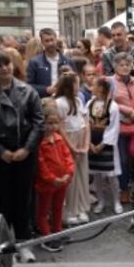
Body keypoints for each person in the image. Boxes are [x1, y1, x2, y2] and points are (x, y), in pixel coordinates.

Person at [0, 50, 44, 263]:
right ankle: (4, 246)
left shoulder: (27, 91)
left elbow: (39, 122)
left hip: (24, 153)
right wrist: (0, 151)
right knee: (1, 201)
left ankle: (23, 243)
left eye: (7, 64)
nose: (4, 68)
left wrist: (27, 149)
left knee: (23, 200)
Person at [34, 100, 75, 253]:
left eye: (55, 123)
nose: (52, 127)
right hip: (47, 184)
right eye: (49, 123)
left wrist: (68, 173)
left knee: (58, 208)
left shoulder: (58, 138)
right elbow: (41, 164)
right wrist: (52, 179)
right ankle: (46, 237)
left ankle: (57, 232)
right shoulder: (40, 142)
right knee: (43, 212)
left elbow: (67, 157)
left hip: (61, 183)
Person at [54, 73, 92, 225]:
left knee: (82, 174)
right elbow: (61, 127)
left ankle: (81, 207)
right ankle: (70, 209)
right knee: (71, 175)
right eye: (76, 83)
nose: (79, 86)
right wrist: (71, 146)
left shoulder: (78, 99)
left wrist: (86, 143)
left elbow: (85, 121)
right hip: (69, 140)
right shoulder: (59, 103)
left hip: (81, 138)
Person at [111, 52, 134, 201]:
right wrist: (129, 111)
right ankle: (124, 189)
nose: (125, 67)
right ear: (115, 67)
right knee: (123, 159)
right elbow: (109, 103)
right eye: (121, 64)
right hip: (120, 127)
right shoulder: (110, 82)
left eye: (128, 64)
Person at [87, 77, 123, 215]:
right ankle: (101, 201)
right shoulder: (90, 103)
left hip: (106, 145)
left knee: (111, 175)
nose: (92, 86)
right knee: (96, 175)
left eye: (94, 84)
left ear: (101, 88)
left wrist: (102, 144)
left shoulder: (113, 106)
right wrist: (89, 142)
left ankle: (116, 201)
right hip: (92, 143)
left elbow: (113, 128)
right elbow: (86, 123)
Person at [26, 28, 74, 98]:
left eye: (52, 40)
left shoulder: (67, 61)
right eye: (47, 41)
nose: (50, 43)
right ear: (42, 42)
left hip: (63, 99)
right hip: (44, 101)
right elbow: (29, 85)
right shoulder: (35, 62)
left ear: (56, 39)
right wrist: (45, 89)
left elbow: (74, 82)